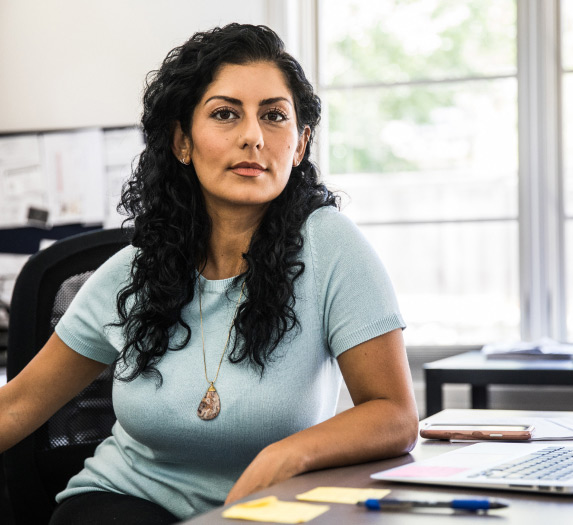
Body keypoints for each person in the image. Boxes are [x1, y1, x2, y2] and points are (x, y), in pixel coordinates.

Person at [0, 23, 418, 524]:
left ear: (300, 144)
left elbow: (394, 413)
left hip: (268, 510)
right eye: (225, 114)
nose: (252, 137)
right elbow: (17, 405)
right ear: (182, 141)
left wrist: (285, 455)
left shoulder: (332, 248)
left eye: (274, 116)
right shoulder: (133, 274)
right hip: (124, 502)